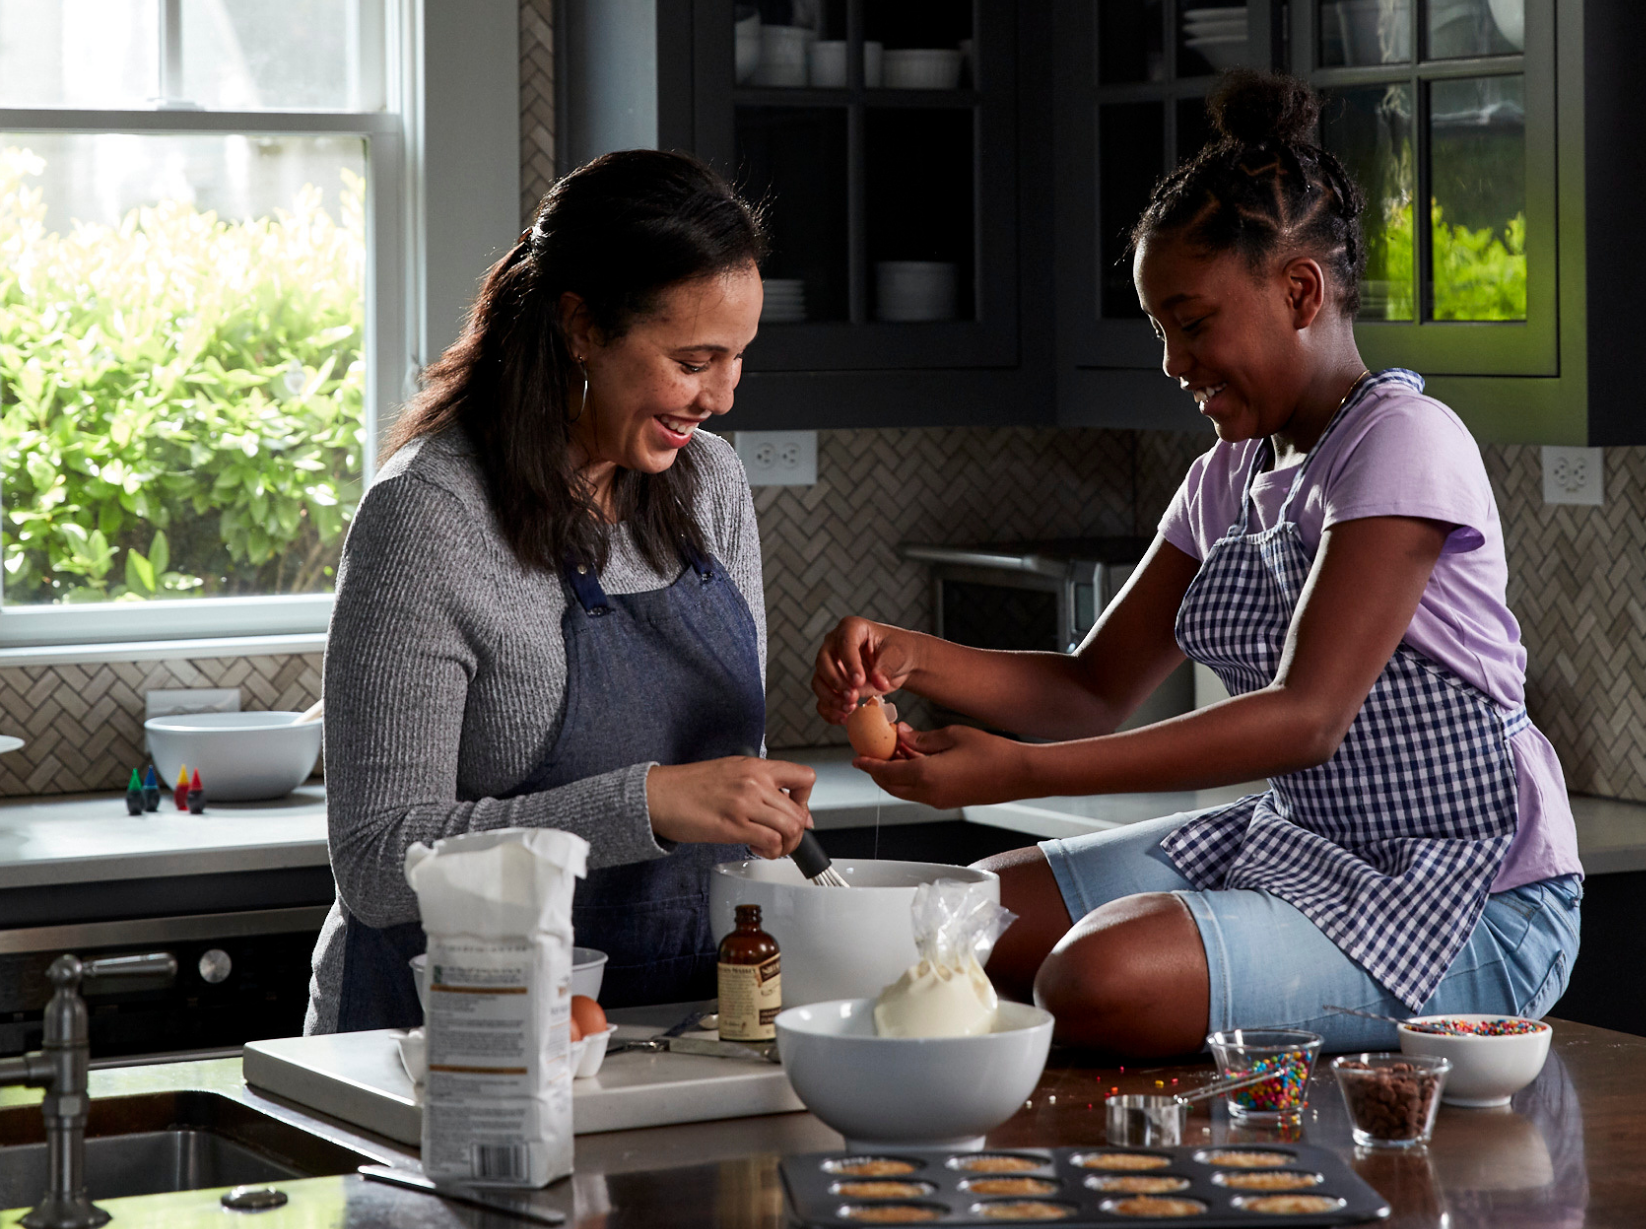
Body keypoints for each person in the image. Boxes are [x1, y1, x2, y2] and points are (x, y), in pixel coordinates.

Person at [811, 72, 1581, 1058]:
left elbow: (1306, 718)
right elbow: (1091, 687)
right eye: (1158, 331)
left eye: (1192, 321)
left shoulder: (1403, 440)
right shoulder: (1230, 470)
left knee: (1096, 977)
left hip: (1462, 890)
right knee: (957, 921)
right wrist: (912, 657)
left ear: (1298, 291)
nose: (1173, 364)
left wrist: (1021, 772)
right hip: (1299, 843)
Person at [305, 149, 815, 1034]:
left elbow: (730, 783)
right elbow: (379, 861)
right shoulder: (428, 519)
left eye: (738, 358)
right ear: (580, 326)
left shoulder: (711, 487)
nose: (721, 397)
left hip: (668, 1032)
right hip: (452, 1041)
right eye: (694, 360)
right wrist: (648, 803)